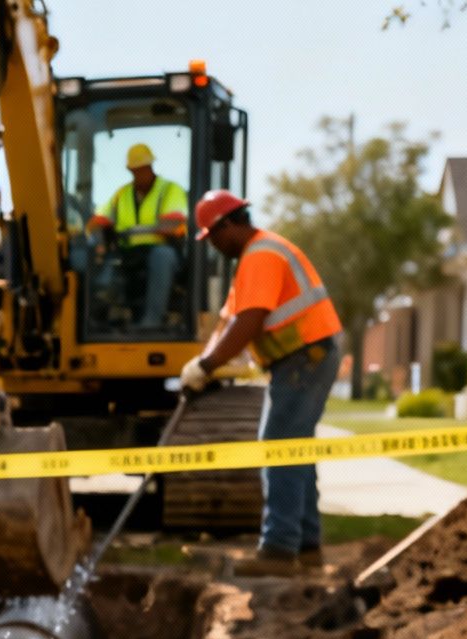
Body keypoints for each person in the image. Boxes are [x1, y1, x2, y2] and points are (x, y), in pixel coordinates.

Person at [182, 190, 345, 575]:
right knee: (293, 449)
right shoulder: (253, 260)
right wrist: (201, 363)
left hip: (306, 356)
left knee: (279, 448)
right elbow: (228, 323)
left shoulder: (262, 255)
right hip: (303, 359)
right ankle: (306, 547)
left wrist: (206, 368)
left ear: (228, 226)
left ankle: (278, 550)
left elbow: (250, 320)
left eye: (213, 236)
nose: (214, 246)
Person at [89, 142, 188, 330]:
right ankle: (100, 317)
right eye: (135, 170)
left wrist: (138, 230)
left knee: (162, 257)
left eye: (143, 169)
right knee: (102, 261)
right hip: (128, 253)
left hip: (162, 251)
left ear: (151, 167)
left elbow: (172, 224)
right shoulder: (122, 194)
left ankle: (152, 322)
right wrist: (98, 229)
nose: (139, 174)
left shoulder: (170, 190)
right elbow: (100, 219)